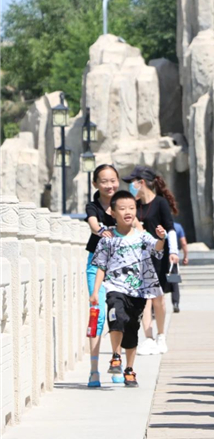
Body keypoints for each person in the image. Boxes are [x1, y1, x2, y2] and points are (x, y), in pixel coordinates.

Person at [90, 190, 167, 387]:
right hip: (115, 287)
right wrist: (95, 292)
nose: (128, 212)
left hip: (138, 291)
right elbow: (101, 266)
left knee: (132, 329)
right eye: (122, 208)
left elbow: (157, 250)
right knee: (116, 317)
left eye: (132, 208)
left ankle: (129, 370)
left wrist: (161, 238)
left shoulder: (142, 236)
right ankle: (116, 356)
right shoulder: (107, 239)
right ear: (112, 212)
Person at [122, 166, 180, 355]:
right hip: (139, 258)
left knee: (158, 299)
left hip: (159, 256)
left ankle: (161, 335)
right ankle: (148, 337)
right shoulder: (134, 205)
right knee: (144, 298)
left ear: (142, 182)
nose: (131, 186)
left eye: (133, 182)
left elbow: (170, 228)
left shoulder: (160, 203)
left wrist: (173, 251)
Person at [84, 164, 120, 387]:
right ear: (96, 184)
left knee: (119, 314)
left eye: (113, 180)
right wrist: (101, 231)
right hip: (95, 265)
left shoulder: (124, 203)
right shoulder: (93, 206)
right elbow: (93, 224)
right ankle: (94, 370)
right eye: (104, 181)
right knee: (97, 313)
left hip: (120, 266)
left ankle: (117, 362)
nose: (110, 185)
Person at [170, 222, 188, 313]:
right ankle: (175, 303)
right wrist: (185, 256)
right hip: (173, 259)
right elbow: (183, 243)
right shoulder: (178, 226)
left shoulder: (159, 226)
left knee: (157, 283)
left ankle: (154, 309)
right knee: (174, 282)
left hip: (160, 258)